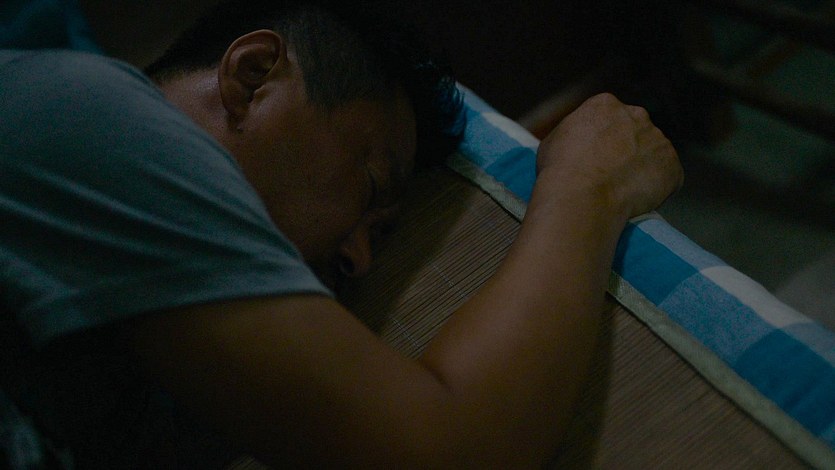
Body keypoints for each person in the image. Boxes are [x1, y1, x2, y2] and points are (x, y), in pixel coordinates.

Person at [0, 0, 683, 467]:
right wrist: (586, 187)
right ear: (253, 75)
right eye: (369, 190)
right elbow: (445, 447)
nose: (356, 259)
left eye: (377, 236)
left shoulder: (177, 373)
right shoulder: (97, 117)